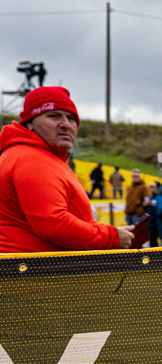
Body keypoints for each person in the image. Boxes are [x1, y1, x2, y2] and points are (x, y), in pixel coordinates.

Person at [0, 86, 135, 252]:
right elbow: (52, 223)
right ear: (29, 123)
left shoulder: (41, 156)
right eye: (53, 116)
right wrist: (110, 237)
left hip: (35, 269)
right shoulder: (31, 157)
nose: (65, 124)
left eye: (71, 118)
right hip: (33, 272)